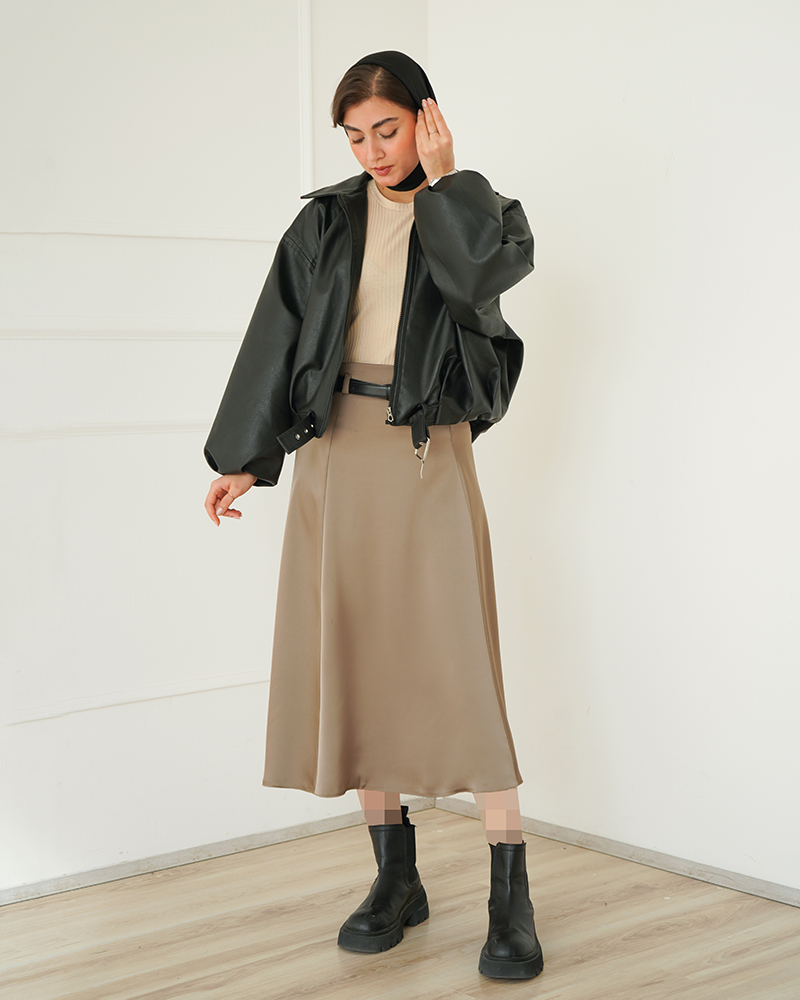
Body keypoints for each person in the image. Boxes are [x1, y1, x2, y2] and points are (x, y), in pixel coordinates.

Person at [203, 50, 541, 980]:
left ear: (425, 118)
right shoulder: (325, 221)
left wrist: (448, 181)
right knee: (354, 657)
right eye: (355, 137)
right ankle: (395, 878)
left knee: (458, 663)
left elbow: (476, 285)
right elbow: (276, 334)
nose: (372, 151)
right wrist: (246, 459)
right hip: (336, 454)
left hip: (430, 448)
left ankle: (510, 896)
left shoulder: (483, 211)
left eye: (386, 130)